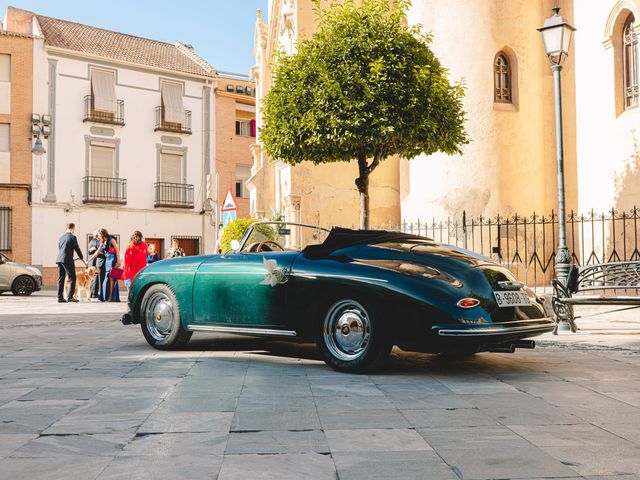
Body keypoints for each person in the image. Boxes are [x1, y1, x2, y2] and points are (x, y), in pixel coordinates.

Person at [56, 223, 83, 303]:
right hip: (67, 260)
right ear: (72, 228)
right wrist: (81, 257)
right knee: (72, 278)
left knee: (61, 279)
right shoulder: (73, 237)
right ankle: (70, 297)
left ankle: (60, 298)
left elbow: (60, 248)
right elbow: (77, 248)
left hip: (59, 259)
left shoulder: (61, 237)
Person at [97, 228, 121, 302]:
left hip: (113, 260)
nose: (98, 237)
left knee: (112, 278)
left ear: (102, 234)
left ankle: (111, 297)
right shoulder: (103, 242)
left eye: (99, 235)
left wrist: (119, 261)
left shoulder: (111, 239)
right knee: (107, 279)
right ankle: (106, 296)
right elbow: (97, 253)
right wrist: (88, 261)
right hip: (108, 261)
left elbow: (117, 250)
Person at [87, 230, 105, 299]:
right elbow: (98, 251)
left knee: (92, 278)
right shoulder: (96, 242)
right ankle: (94, 293)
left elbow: (89, 252)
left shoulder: (90, 242)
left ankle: (92, 293)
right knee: (96, 278)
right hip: (96, 261)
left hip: (92, 262)